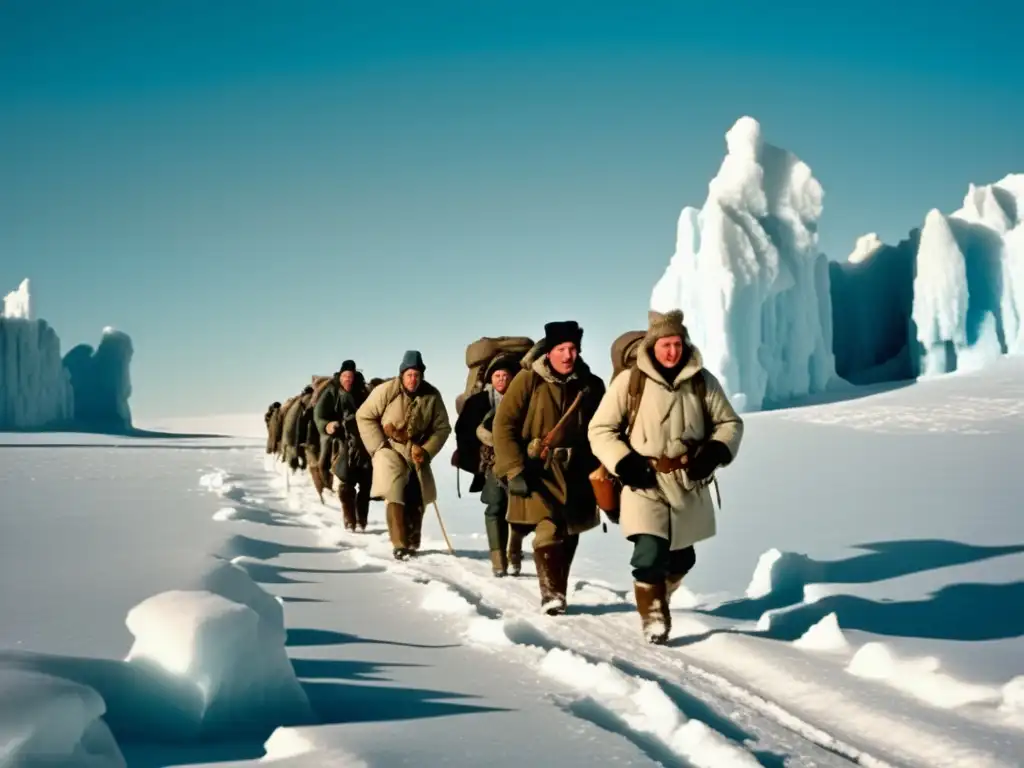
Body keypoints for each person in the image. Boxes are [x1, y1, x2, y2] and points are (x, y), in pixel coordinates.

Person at [588, 310, 743, 644]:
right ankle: (654, 615)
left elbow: (730, 423)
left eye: (677, 343)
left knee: (683, 558)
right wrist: (624, 462)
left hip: (688, 482)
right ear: (652, 346)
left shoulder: (703, 380)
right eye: (665, 345)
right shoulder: (629, 382)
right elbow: (600, 429)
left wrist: (716, 451)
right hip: (643, 481)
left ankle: (657, 593)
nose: (672, 351)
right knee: (649, 551)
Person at [492, 321, 605, 614]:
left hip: (578, 471)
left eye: (572, 348)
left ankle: (558, 592)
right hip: (537, 470)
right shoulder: (528, 380)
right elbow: (504, 425)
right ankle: (552, 596)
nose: (568, 355)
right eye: (561, 349)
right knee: (548, 527)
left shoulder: (590, 385)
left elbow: (603, 429)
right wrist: (514, 469)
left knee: (570, 532)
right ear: (549, 351)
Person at [356, 351, 451, 559]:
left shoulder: (432, 396)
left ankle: (412, 540)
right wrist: (378, 447)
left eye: (417, 375)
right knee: (395, 491)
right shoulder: (387, 390)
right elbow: (364, 415)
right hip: (390, 448)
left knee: (418, 495)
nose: (413, 379)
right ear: (402, 374)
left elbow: (443, 428)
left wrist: (426, 450)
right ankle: (399, 544)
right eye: (409, 375)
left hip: (417, 451)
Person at [454, 353, 521, 576]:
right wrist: (476, 454)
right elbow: (462, 431)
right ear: (491, 379)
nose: (501, 379)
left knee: (520, 510)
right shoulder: (478, 402)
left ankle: (515, 553)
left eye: (505, 375)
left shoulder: (524, 399)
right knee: (495, 507)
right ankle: (498, 560)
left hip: (520, 463)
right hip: (491, 463)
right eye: (497, 375)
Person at [314, 360, 372, 530]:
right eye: (346, 376)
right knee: (346, 482)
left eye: (351, 377)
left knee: (366, 483)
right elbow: (319, 415)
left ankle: (362, 519)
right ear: (341, 376)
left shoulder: (363, 392)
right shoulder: (331, 392)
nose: (348, 380)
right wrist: (327, 425)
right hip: (341, 441)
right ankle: (349, 519)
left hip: (363, 441)